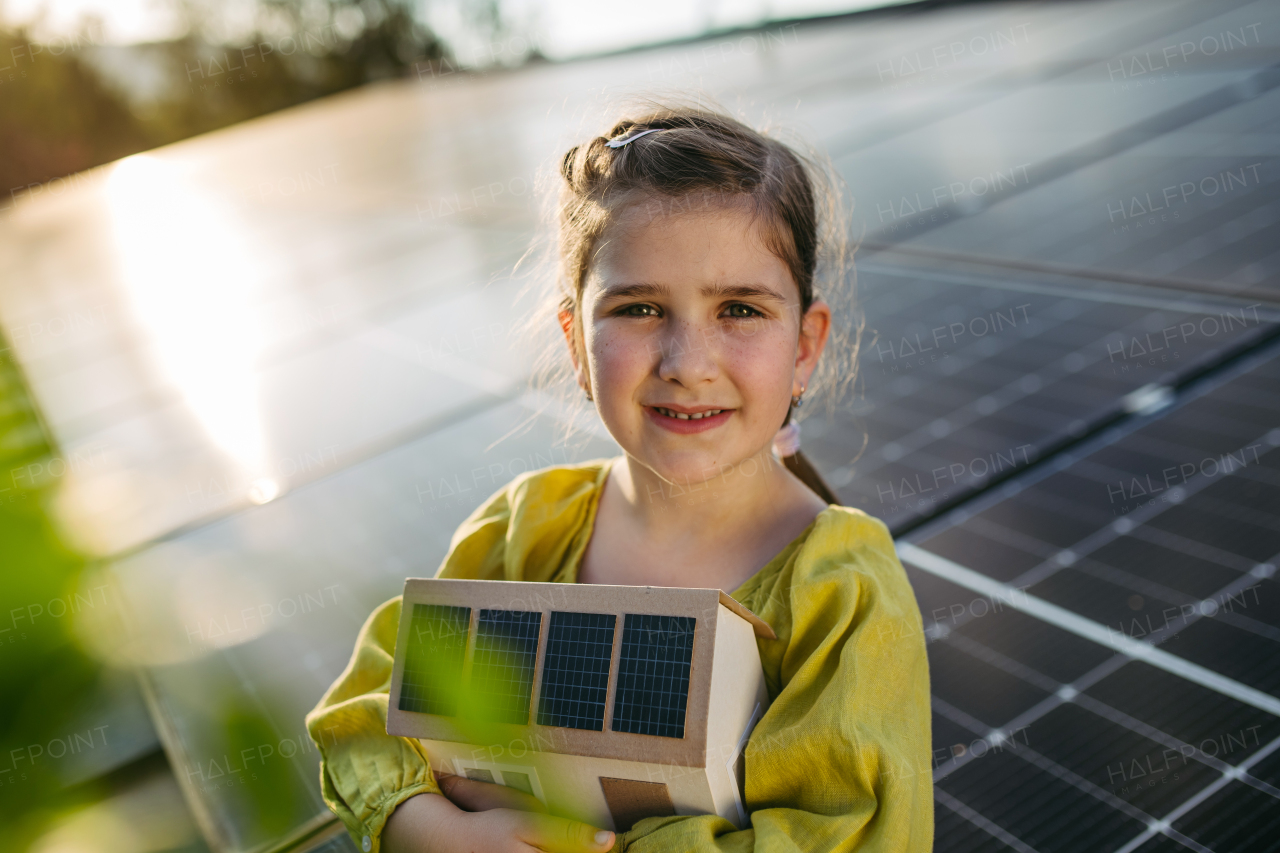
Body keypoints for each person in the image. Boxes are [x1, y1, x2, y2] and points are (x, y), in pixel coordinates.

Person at [305, 103, 933, 853]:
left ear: (805, 345)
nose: (686, 362)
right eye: (638, 307)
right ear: (575, 341)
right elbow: (372, 705)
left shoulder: (841, 588)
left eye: (739, 308)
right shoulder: (527, 527)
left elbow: (849, 836)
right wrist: (423, 825)